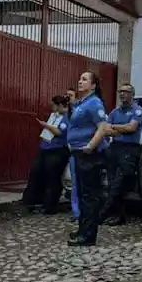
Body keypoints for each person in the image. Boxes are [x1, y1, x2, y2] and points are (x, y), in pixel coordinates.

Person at [67, 71, 108, 246]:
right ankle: (83, 229)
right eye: (80, 78)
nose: (80, 81)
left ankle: (88, 235)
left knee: (90, 196)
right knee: (83, 194)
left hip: (89, 154)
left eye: (84, 79)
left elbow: (103, 127)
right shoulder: (82, 103)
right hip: (78, 153)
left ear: (93, 85)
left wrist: (90, 146)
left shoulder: (94, 103)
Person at [101, 83, 142, 226]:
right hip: (115, 148)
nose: (122, 94)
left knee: (119, 183)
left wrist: (114, 127)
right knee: (112, 181)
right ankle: (118, 215)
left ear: (132, 94)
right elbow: (106, 130)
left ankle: (103, 214)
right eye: (120, 91)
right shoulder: (115, 112)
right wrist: (121, 129)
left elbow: (132, 128)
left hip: (129, 149)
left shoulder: (137, 111)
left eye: (125, 92)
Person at [22, 95, 71, 213]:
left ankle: (50, 204)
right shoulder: (54, 115)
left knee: (52, 176)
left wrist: (46, 125)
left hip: (57, 149)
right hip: (45, 147)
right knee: (36, 171)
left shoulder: (66, 117)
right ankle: (33, 200)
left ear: (59, 105)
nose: (52, 108)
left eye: (54, 105)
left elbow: (60, 132)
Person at [66, 87, 80, 223]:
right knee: (73, 183)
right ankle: (75, 211)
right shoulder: (64, 112)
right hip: (69, 150)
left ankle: (82, 211)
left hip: (80, 150)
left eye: (70, 95)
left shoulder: (79, 110)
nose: (68, 98)